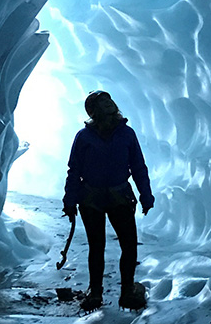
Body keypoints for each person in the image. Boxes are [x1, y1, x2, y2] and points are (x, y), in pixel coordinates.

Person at [62, 90, 154, 312]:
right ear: (93, 111)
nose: (109, 103)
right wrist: (70, 200)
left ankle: (126, 292)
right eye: (101, 102)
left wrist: (146, 194)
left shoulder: (127, 134)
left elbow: (138, 166)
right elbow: (74, 171)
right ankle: (95, 293)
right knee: (97, 246)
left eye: (109, 99)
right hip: (91, 198)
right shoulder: (83, 137)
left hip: (119, 196)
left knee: (129, 245)